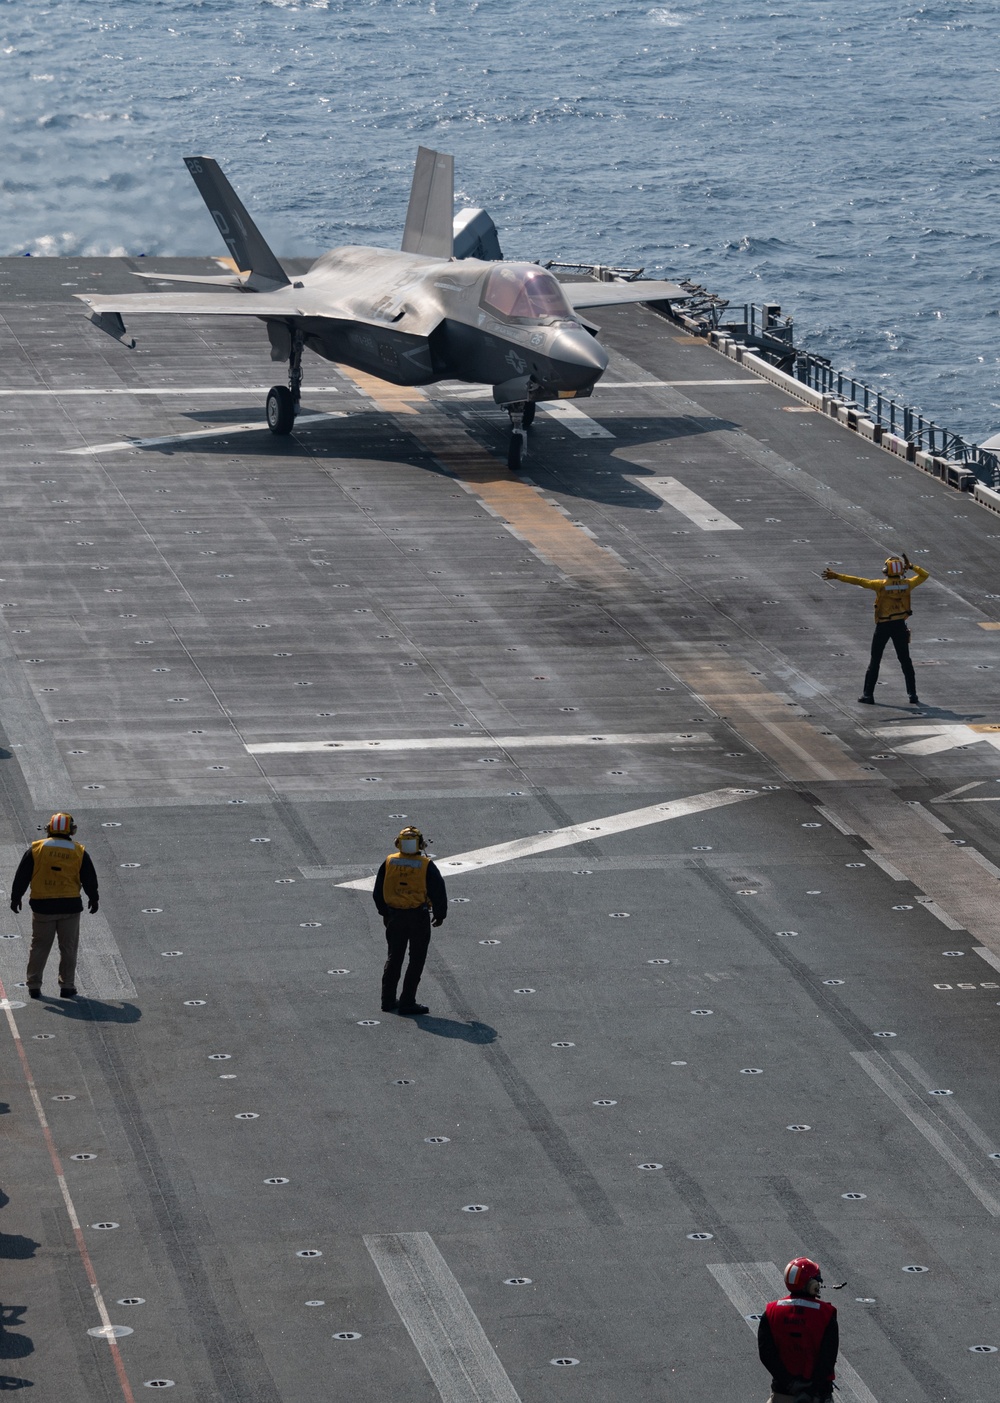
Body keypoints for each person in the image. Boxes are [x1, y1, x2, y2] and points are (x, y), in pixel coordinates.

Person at [10, 812, 99, 1000]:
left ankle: (34, 986)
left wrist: (16, 897)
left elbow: (22, 876)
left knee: (39, 946)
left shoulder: (36, 849)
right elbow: (89, 878)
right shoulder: (78, 851)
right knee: (68, 948)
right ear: (72, 830)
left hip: (43, 907)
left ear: (49, 828)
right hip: (70, 907)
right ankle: (67, 986)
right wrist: (94, 897)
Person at [822, 553, 930, 705]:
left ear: (886, 570)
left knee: (875, 660)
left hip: (883, 626)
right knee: (905, 660)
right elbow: (925, 575)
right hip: (899, 625)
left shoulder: (881, 585)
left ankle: (868, 695)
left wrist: (837, 576)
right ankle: (913, 695)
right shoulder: (908, 584)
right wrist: (911, 566)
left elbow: (858, 581)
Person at [373, 825, 447, 1016]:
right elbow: (438, 891)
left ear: (398, 843)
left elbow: (378, 891)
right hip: (418, 917)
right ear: (419, 844)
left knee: (394, 958)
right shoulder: (425, 865)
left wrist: (384, 913)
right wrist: (440, 914)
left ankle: (387, 1000)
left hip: (394, 917)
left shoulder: (389, 862)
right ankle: (407, 1002)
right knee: (416, 960)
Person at [758, 1257, 838, 1403]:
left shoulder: (771, 1312)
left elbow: (766, 1355)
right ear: (812, 1285)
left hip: (782, 1392)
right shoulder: (826, 1315)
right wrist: (809, 1390)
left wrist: (790, 1384)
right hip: (817, 1396)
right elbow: (827, 1359)